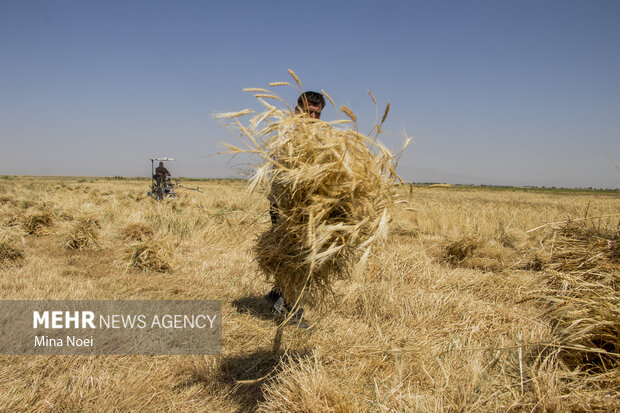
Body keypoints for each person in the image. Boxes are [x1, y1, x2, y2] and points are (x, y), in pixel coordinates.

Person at [264, 91, 326, 329]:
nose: (312, 117)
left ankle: (277, 294)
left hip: (306, 205)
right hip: (284, 203)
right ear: (297, 109)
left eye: (316, 114)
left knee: (299, 254)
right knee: (296, 255)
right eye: (308, 111)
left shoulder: (320, 136)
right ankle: (292, 308)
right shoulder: (286, 132)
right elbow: (284, 166)